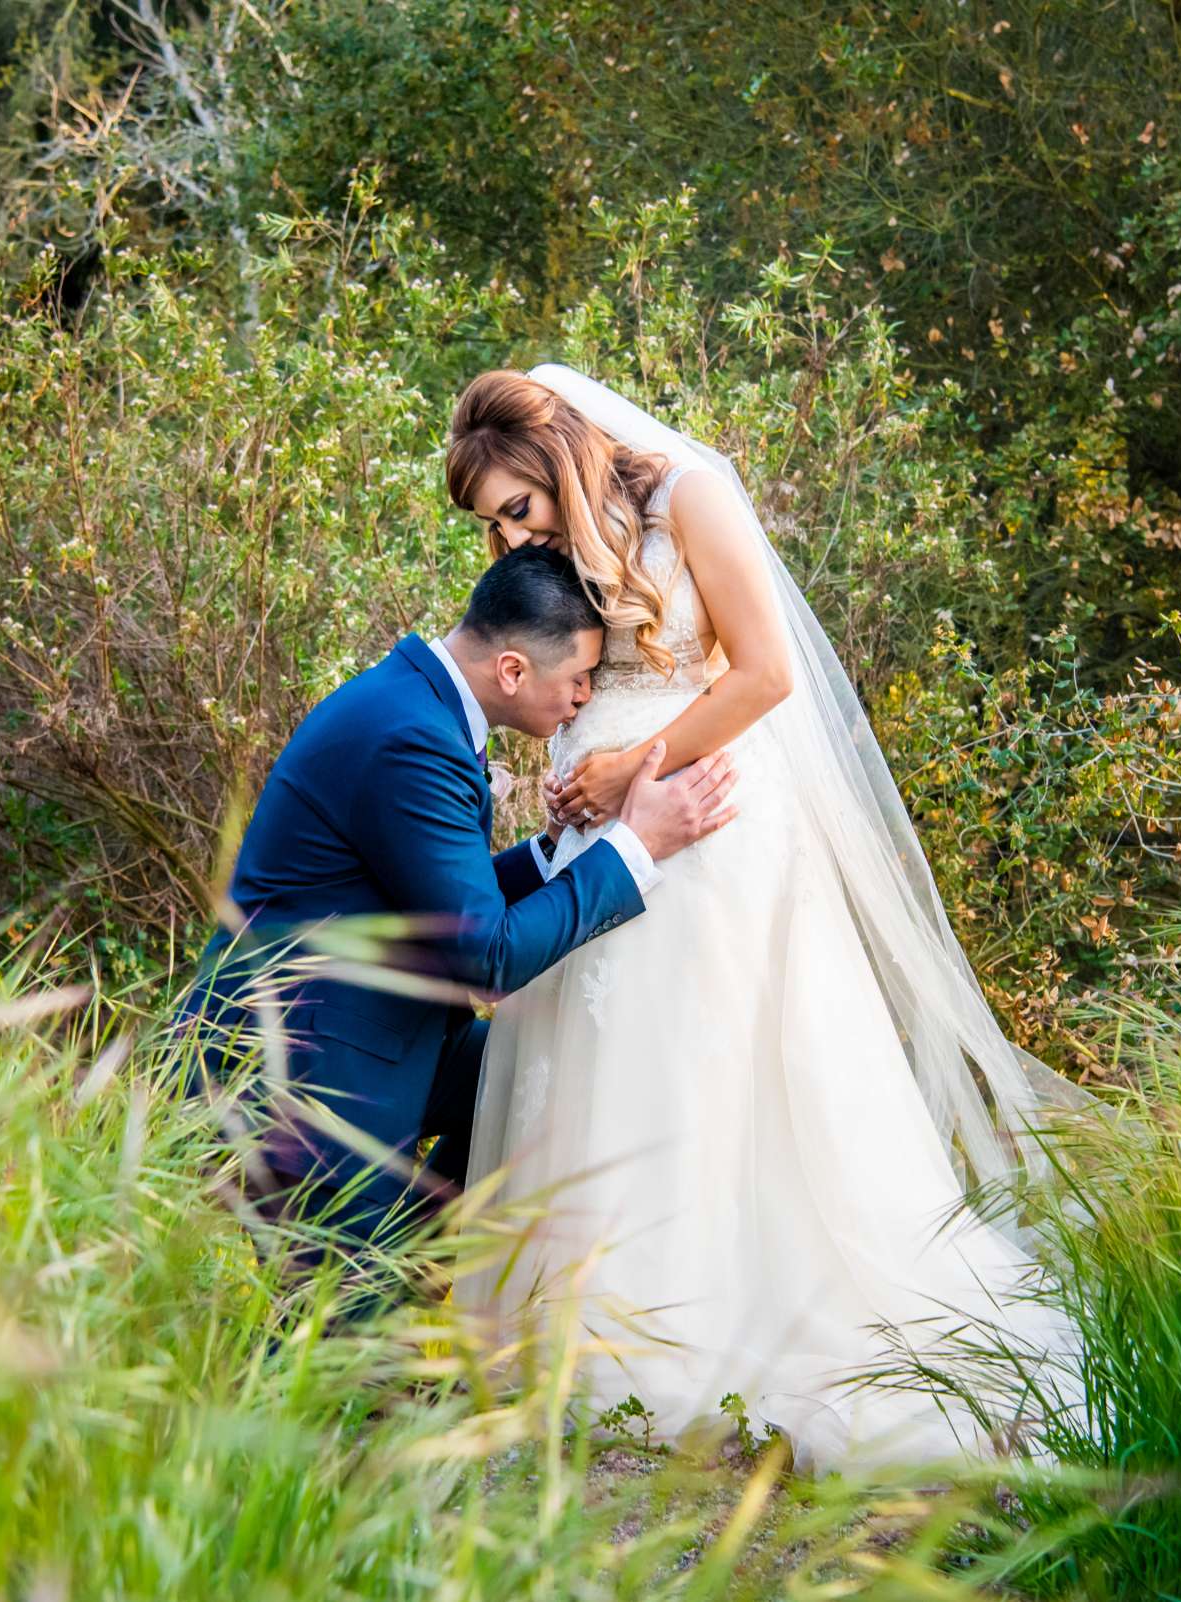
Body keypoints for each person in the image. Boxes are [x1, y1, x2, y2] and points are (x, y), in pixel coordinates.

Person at [445, 364, 1091, 1473]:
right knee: (604, 1057)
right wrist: (572, 776)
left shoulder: (692, 493)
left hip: (712, 813)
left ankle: (712, 1322)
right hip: (607, 816)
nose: (511, 541)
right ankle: (588, 1320)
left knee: (710, 1056)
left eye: (516, 507)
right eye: (495, 526)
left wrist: (629, 772)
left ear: (552, 456)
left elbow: (765, 675)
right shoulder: (561, 549)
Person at [173, 544, 737, 1264]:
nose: (586, 696)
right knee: (334, 1325)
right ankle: (382, 1273)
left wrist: (548, 852)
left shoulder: (414, 704)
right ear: (513, 670)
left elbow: (437, 904)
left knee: (544, 1071)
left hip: (373, 1030)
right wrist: (635, 846)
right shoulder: (412, 739)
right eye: (580, 677)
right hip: (306, 1067)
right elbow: (488, 956)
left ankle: (405, 1257)